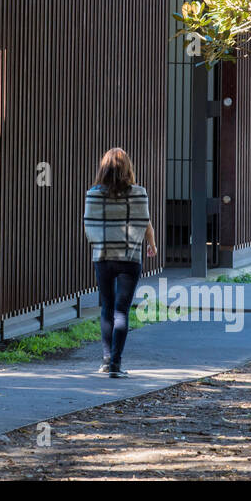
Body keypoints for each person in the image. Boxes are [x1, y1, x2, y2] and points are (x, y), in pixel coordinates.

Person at [84, 147, 156, 378]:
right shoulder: (139, 193)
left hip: (103, 256)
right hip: (130, 257)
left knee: (107, 308)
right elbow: (145, 222)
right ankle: (115, 364)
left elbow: (88, 224)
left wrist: (99, 242)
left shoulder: (93, 194)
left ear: (103, 168)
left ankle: (105, 361)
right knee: (121, 311)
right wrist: (151, 245)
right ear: (128, 168)